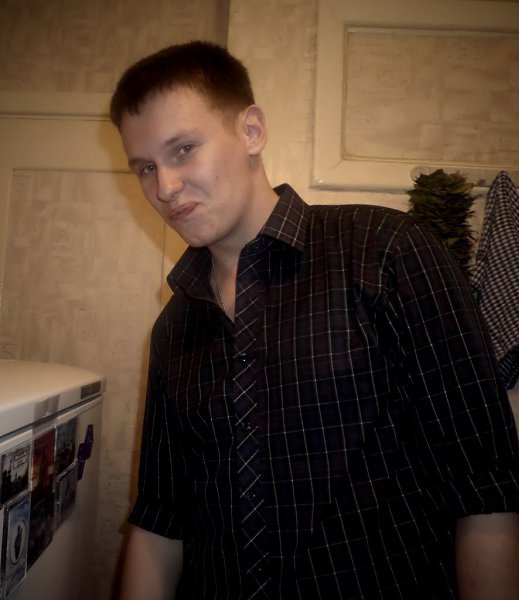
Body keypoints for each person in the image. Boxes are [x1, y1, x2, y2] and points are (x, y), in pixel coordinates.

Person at [110, 41, 519, 599]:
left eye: (183, 149)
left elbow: (485, 484)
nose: (164, 188)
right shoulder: (174, 327)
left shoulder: (386, 250)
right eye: (145, 168)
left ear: (251, 131)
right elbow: (162, 518)